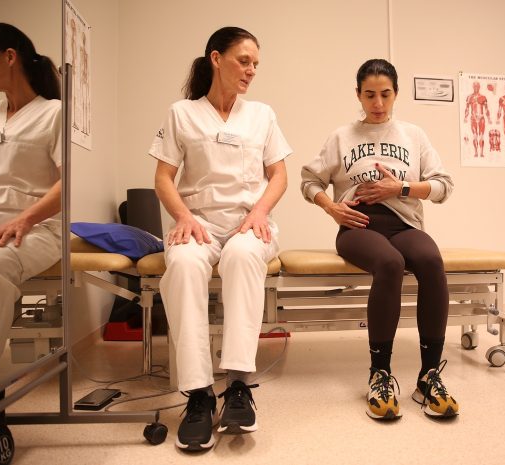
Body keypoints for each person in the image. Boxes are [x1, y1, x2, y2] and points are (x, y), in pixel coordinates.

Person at [149, 26, 291, 451]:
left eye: (255, 64)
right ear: (216, 58)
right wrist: (183, 216)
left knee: (242, 257)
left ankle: (239, 386)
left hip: (250, 223)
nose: (251, 70)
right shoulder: (182, 113)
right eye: (243, 61)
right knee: (183, 264)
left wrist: (259, 212)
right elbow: (163, 177)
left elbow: (279, 175)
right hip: (197, 223)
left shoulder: (262, 114)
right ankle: (198, 395)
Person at [300, 59, 458, 420]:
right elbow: (309, 181)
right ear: (358, 94)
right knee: (389, 263)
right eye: (369, 94)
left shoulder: (414, 135)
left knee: (431, 260)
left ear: (396, 93)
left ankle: (429, 376)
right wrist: (332, 208)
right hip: (358, 228)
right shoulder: (341, 137)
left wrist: (400, 187)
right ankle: (380, 374)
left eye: (385, 94)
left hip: (404, 226)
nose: (378, 103)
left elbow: (443, 186)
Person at [0, 23, 62, 396]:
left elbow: (68, 184)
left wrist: (25, 218)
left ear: (9, 56)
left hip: (36, 230)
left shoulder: (54, 113)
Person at [464, 81, 491, 157]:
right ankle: (476, 152)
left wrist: (489, 118)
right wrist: (465, 117)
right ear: (473, 87)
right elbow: (467, 108)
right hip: (473, 118)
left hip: (481, 118)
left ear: (479, 87)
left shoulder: (483, 97)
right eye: (475, 86)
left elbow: (486, 109)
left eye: (477, 86)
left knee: (481, 136)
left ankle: (481, 152)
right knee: (475, 135)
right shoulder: (469, 97)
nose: (476, 88)